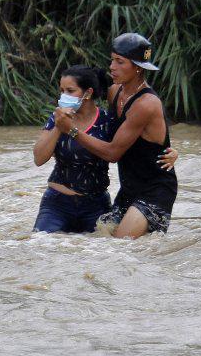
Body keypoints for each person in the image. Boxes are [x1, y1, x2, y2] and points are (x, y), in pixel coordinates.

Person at [33, 64, 178, 234]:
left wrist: (170, 151)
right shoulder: (56, 118)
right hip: (56, 205)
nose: (64, 96)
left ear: (88, 93)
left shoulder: (107, 122)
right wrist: (60, 127)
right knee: (41, 245)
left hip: (95, 205)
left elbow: (131, 144)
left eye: (70, 91)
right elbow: (39, 158)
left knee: (102, 252)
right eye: (62, 90)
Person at [67, 33, 177, 238]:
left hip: (156, 188)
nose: (112, 67)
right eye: (112, 60)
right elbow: (86, 99)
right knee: (101, 241)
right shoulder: (114, 92)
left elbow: (112, 153)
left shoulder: (146, 104)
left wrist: (72, 131)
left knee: (119, 246)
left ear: (138, 67)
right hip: (129, 187)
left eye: (119, 62)